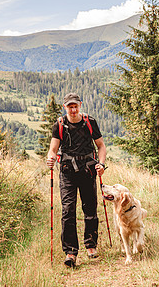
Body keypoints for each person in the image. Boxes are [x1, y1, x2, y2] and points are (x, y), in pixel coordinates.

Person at [46, 92, 106, 267]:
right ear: (65, 107)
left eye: (75, 106)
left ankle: (91, 244)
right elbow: (53, 149)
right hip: (67, 172)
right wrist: (50, 158)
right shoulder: (59, 124)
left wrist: (101, 164)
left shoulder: (90, 122)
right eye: (69, 106)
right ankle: (70, 252)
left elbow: (101, 146)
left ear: (80, 104)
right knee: (68, 210)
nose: (73, 109)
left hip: (88, 170)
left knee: (90, 207)